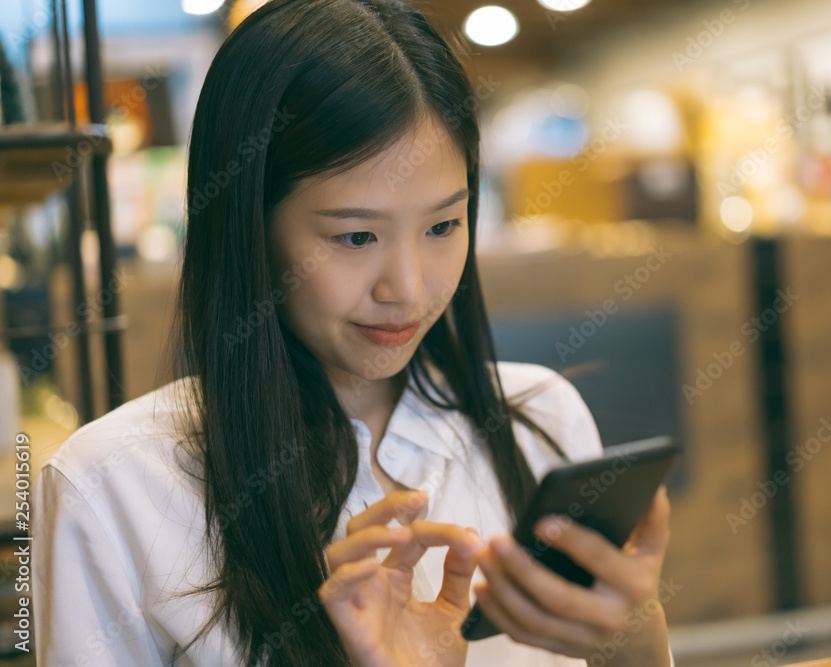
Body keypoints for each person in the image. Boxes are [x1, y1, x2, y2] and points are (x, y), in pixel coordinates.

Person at [31, 0, 675, 665]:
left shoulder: (538, 420)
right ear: (249, 228)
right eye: (356, 236)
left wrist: (634, 637)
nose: (410, 287)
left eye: (444, 226)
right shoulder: (112, 487)